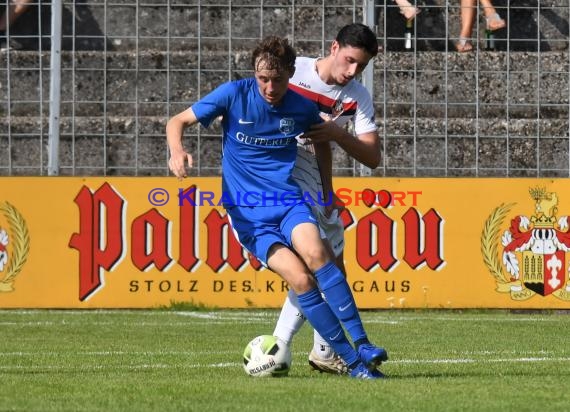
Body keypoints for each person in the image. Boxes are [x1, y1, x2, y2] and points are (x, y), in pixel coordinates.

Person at [166, 35, 387, 379]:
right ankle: (353, 363)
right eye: (263, 79)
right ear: (255, 73)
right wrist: (176, 150)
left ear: (290, 73)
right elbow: (176, 121)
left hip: (287, 201)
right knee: (301, 279)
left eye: (278, 79)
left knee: (320, 255)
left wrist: (327, 191)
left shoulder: (300, 106)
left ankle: (362, 344)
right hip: (249, 215)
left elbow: (322, 143)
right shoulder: (234, 94)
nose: (270, 87)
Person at [271, 23, 385, 375]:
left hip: (314, 176)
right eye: (349, 61)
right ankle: (282, 345)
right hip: (278, 172)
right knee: (318, 265)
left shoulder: (357, 96)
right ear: (334, 47)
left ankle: (318, 349)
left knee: (331, 269)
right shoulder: (295, 72)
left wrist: (336, 139)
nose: (352, 72)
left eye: (361, 67)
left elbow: (372, 156)